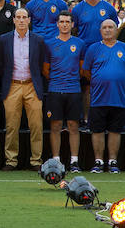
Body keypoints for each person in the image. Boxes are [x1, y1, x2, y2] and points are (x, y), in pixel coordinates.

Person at [82, 20, 125, 174]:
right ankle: (98, 161)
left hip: (118, 98)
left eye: (110, 27)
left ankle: (113, 161)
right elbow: (86, 71)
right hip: (98, 98)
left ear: (116, 30)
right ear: (100, 30)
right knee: (97, 131)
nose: (107, 30)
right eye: (104, 27)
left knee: (115, 131)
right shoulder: (93, 49)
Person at [0, 8, 47, 171]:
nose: (21, 20)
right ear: (13, 20)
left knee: (36, 126)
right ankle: (11, 160)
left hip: (32, 85)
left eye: (24, 17)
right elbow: (2, 65)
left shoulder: (38, 40)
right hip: (12, 85)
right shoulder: (4, 39)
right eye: (18, 17)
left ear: (29, 20)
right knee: (12, 125)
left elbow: (39, 65)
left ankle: (36, 161)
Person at [42, 11, 85, 172]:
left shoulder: (79, 43)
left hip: (74, 90)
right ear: (57, 24)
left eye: (68, 21)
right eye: (62, 21)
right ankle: (56, 161)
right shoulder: (49, 43)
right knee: (56, 125)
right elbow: (45, 69)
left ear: (72, 24)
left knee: (73, 125)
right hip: (55, 89)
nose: (65, 24)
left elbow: (82, 69)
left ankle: (74, 161)